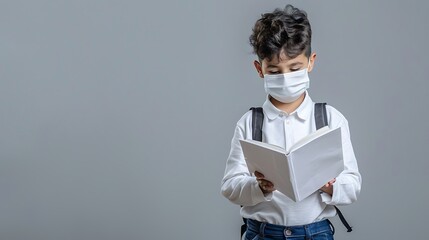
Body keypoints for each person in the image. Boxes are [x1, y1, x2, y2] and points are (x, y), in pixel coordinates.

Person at [220, 4, 361, 240]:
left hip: (315, 233)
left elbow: (353, 185)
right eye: (275, 71)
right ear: (260, 69)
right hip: (263, 233)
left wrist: (328, 185)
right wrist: (259, 188)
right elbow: (230, 186)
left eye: (294, 68)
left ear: (310, 62)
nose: (285, 79)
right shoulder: (250, 123)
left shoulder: (330, 119)